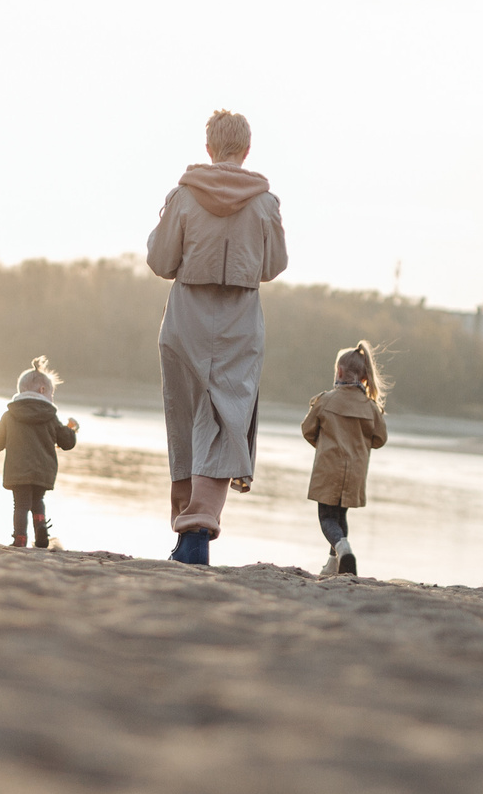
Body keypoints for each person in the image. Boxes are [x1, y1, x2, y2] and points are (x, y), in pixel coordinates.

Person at [147, 109, 287, 564]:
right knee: (227, 421)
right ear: (247, 150)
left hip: (186, 316)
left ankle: (185, 531)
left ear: (208, 148)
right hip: (239, 322)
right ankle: (198, 531)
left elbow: (160, 261)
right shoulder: (265, 204)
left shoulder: (183, 196)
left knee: (185, 417)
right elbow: (273, 266)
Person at [300, 341, 387, 576]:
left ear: (339, 371)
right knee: (340, 515)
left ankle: (342, 547)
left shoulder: (326, 400)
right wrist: (359, 443)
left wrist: (323, 445)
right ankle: (333, 564)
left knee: (327, 518)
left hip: (328, 468)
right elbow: (380, 439)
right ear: (365, 377)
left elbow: (307, 430)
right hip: (355, 472)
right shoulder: (370, 408)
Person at [0, 357, 78, 548]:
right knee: (38, 500)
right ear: (43, 390)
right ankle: (41, 530)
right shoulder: (51, 417)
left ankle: (20, 538)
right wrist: (72, 430)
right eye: (52, 394)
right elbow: (66, 441)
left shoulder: (10, 415)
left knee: (20, 504)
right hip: (42, 470)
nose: (52, 398)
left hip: (18, 469)